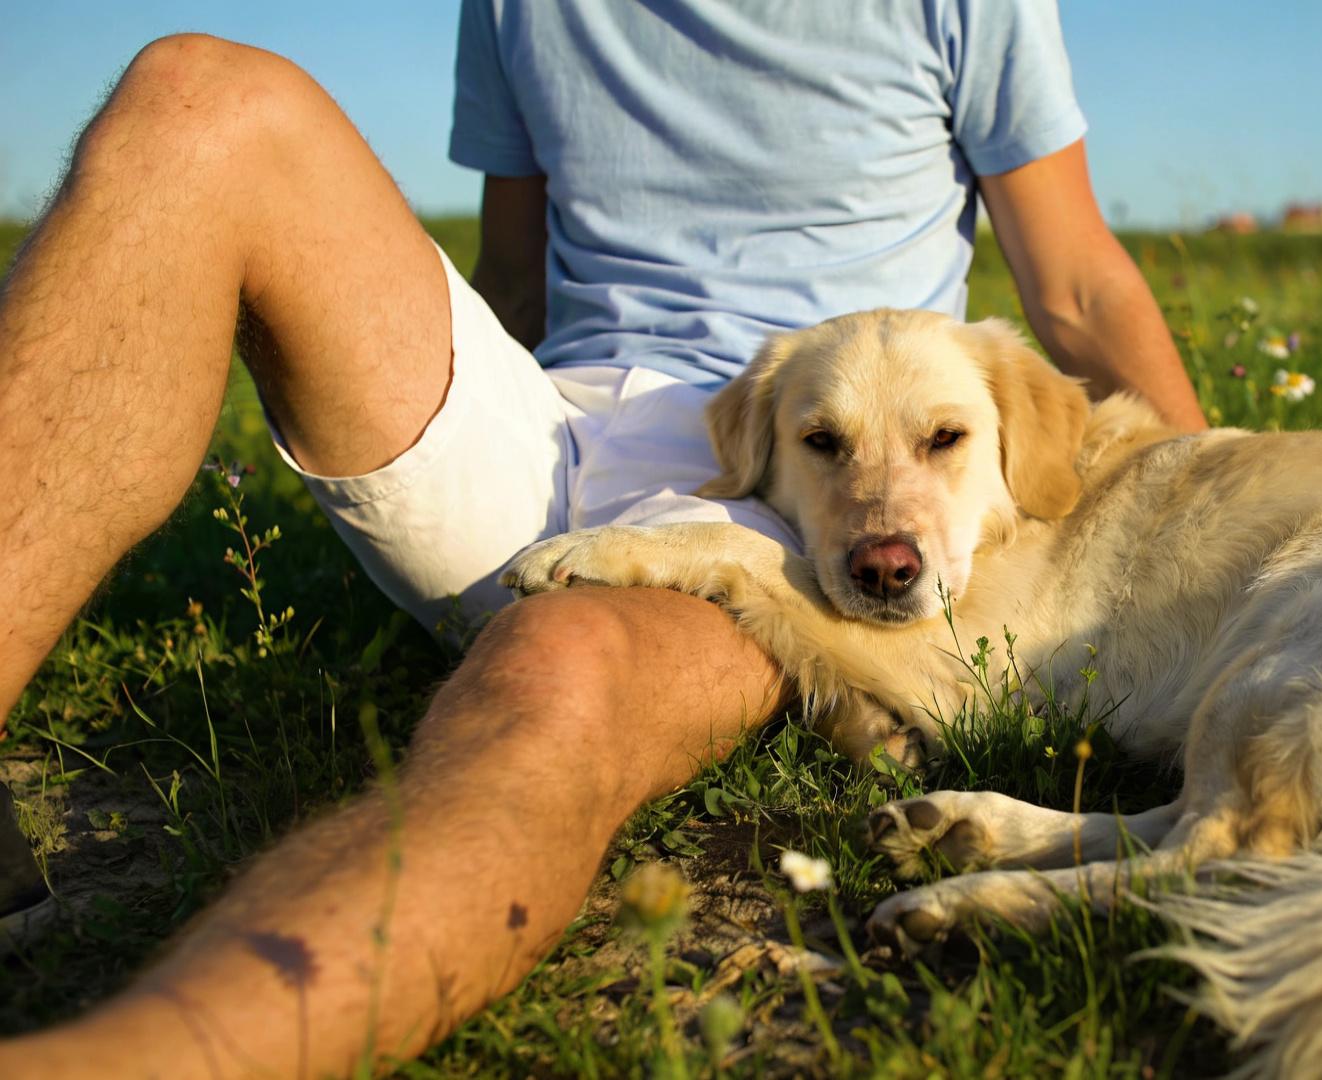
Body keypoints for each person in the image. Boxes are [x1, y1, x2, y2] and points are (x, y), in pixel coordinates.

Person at [0, 1, 1204, 1074]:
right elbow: (512, 280)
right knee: (196, 95)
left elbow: (1076, 285)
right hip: (544, 412)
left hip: (789, 471)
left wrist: (1201, 492)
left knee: (556, 670)